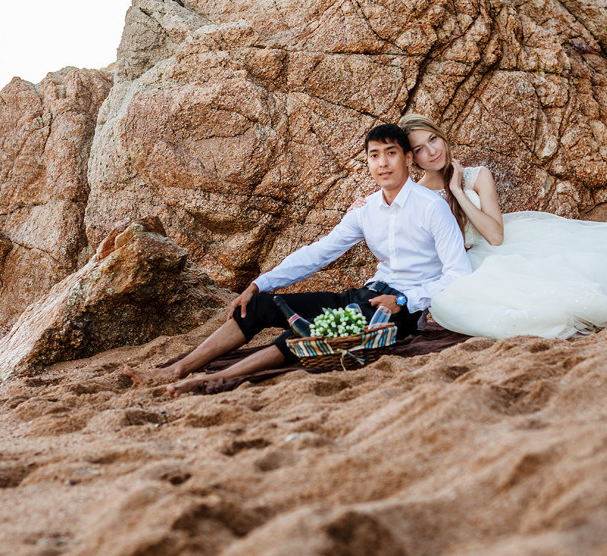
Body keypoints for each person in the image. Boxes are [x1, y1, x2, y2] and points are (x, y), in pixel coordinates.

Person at [126, 123, 471, 396]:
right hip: (363, 295)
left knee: (308, 333)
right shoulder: (366, 210)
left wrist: (402, 300)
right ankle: (180, 368)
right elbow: (318, 253)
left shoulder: (431, 207)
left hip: (400, 312)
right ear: (367, 161)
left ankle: (214, 381)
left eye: (391, 153)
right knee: (259, 305)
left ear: (408, 158)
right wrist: (260, 283)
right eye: (374, 155)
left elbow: (458, 273)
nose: (383, 163)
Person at [396, 113, 607, 339]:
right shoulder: (416, 195)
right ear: (412, 159)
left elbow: (495, 235)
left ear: (443, 137)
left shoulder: (475, 176)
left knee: (588, 268)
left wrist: (457, 189)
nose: (432, 151)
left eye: (434, 140)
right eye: (420, 149)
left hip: (503, 244)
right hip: (466, 264)